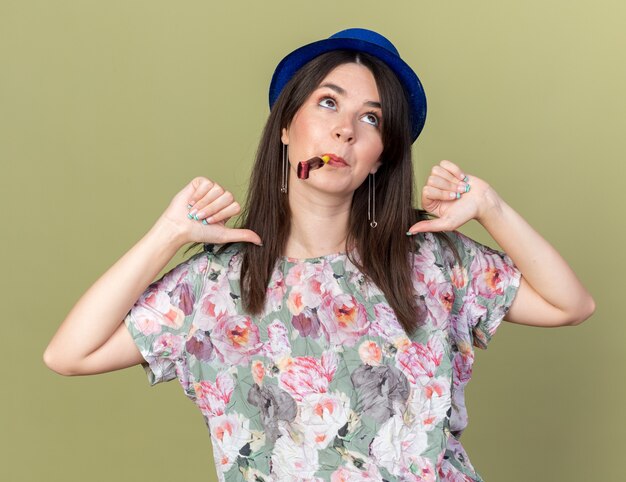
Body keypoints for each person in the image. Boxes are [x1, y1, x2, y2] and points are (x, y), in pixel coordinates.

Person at [44, 28, 595, 481]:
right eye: (328, 102)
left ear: (380, 157)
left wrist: (491, 207)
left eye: (371, 118)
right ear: (287, 126)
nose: (345, 130)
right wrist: (166, 235)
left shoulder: (428, 257)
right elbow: (69, 354)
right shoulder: (215, 283)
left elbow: (569, 304)